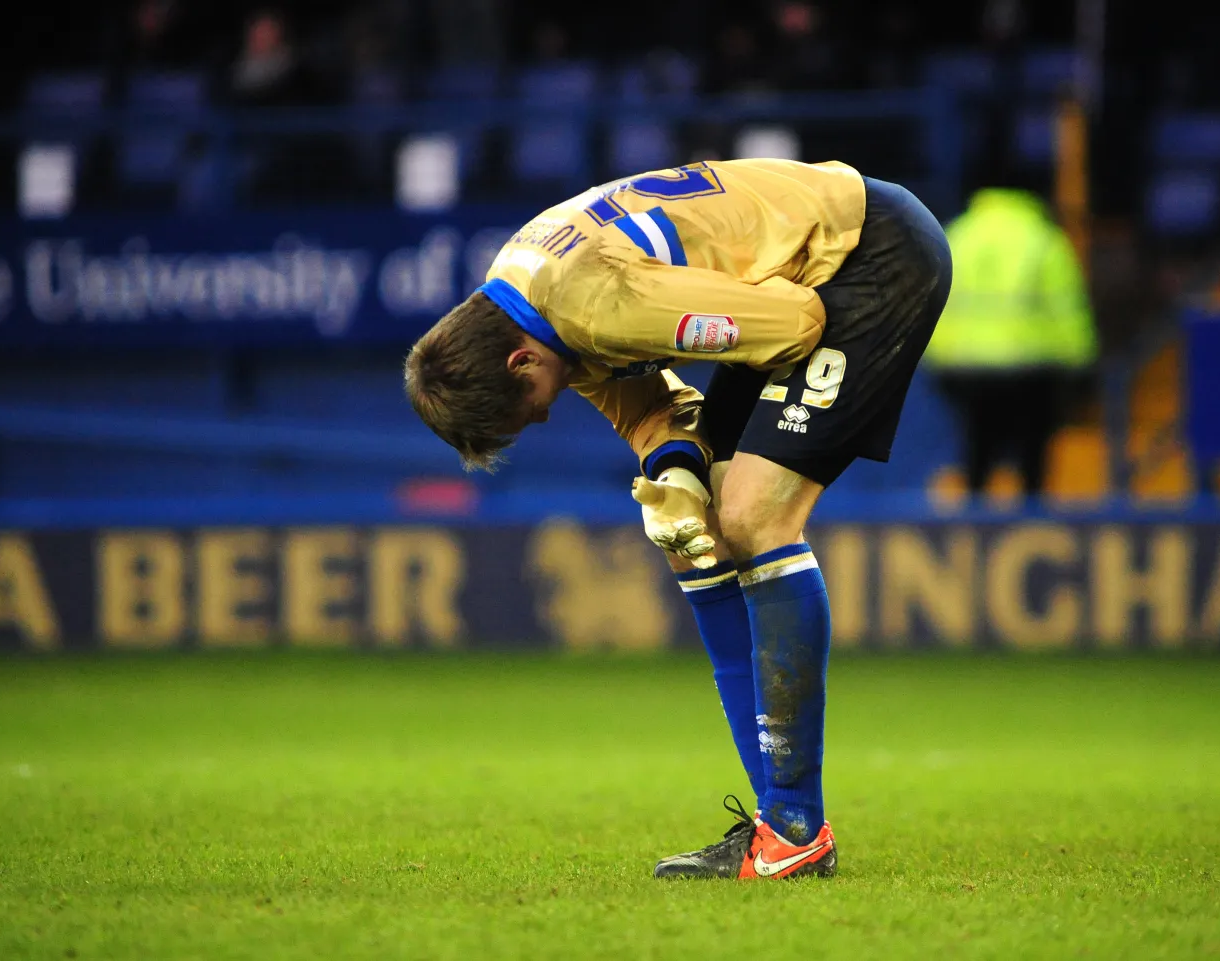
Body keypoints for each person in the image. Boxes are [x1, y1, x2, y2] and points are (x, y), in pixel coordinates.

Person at [404, 159, 952, 880]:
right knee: (697, 540)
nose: (539, 413)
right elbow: (648, 411)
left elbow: (795, 325)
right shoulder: (527, 297)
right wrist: (678, 473)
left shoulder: (591, 307)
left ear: (516, 358)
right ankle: (783, 824)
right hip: (813, 267)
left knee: (754, 515)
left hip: (868, 257)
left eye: (524, 406)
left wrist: (708, 461)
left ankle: (791, 824)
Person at [924, 171, 1097, 498]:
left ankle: (975, 525)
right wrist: (1082, 363)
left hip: (963, 367)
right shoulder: (1043, 238)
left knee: (976, 446)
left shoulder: (959, 235)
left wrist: (934, 360)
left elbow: (933, 301)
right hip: (1030, 370)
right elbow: (1067, 306)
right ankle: (1030, 520)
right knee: (1033, 453)